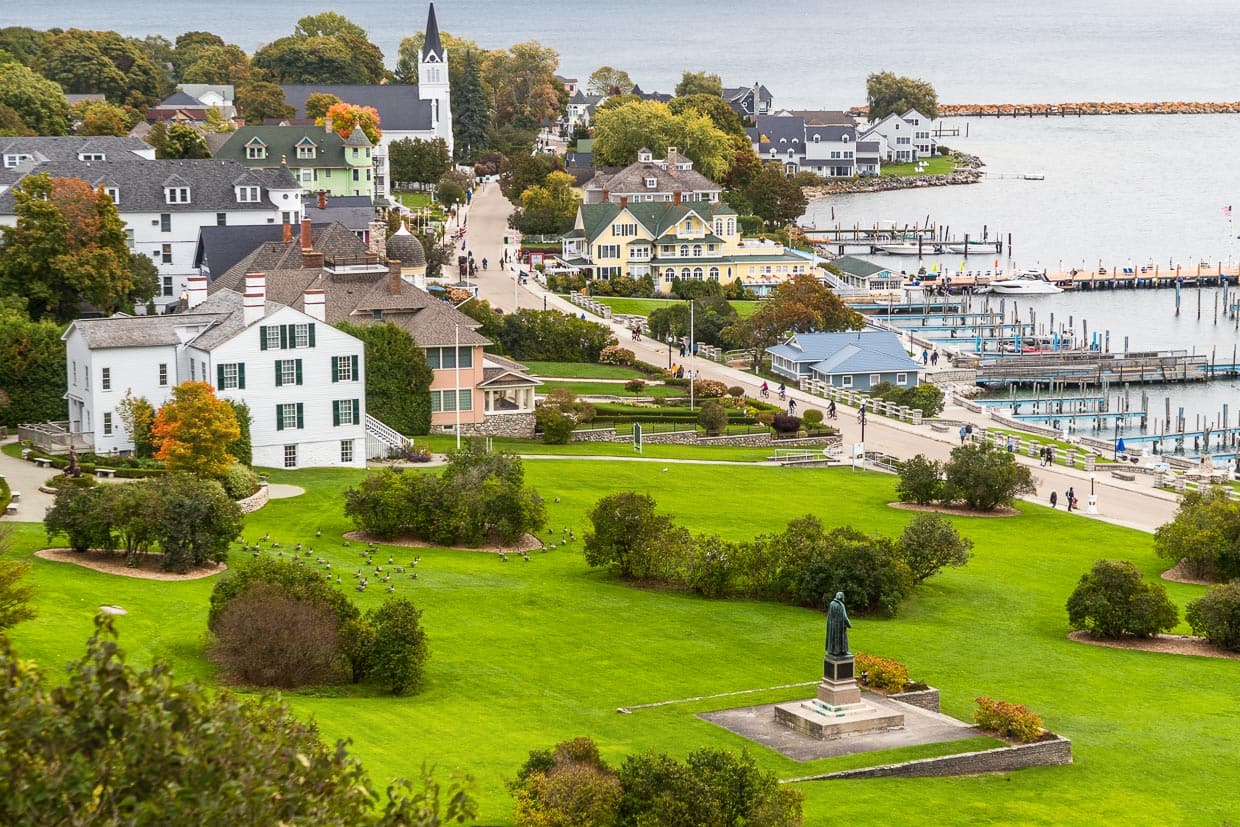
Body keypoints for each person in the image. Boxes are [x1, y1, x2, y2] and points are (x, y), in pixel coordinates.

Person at [826, 592, 852, 658]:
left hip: (832, 626)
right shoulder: (841, 605)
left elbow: (829, 616)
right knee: (841, 638)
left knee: (834, 638)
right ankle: (841, 651)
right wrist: (849, 624)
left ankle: (833, 650)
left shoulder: (831, 603)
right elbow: (844, 617)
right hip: (840, 626)